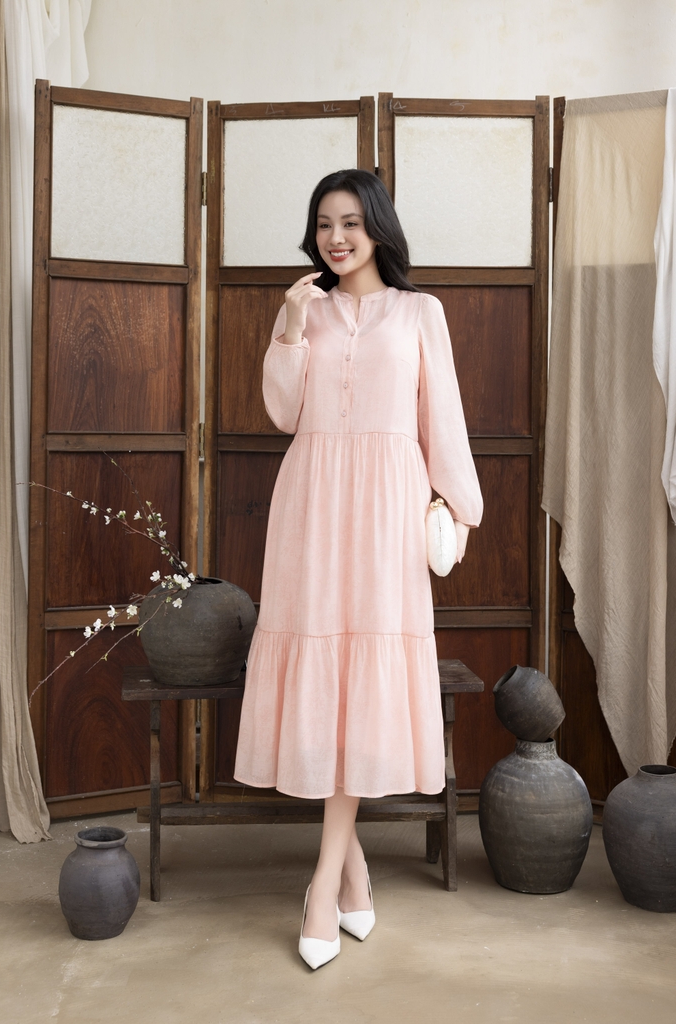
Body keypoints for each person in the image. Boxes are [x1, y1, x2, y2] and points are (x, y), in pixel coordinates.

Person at [234, 169, 483, 969]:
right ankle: (349, 874)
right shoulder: (305, 309)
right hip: (309, 501)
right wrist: (288, 322)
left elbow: (441, 414)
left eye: (349, 221)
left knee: (363, 665)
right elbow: (283, 413)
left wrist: (458, 509)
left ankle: (323, 883)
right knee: (323, 659)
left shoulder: (419, 311)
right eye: (323, 224)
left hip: (387, 506)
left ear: (376, 226)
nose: (335, 237)